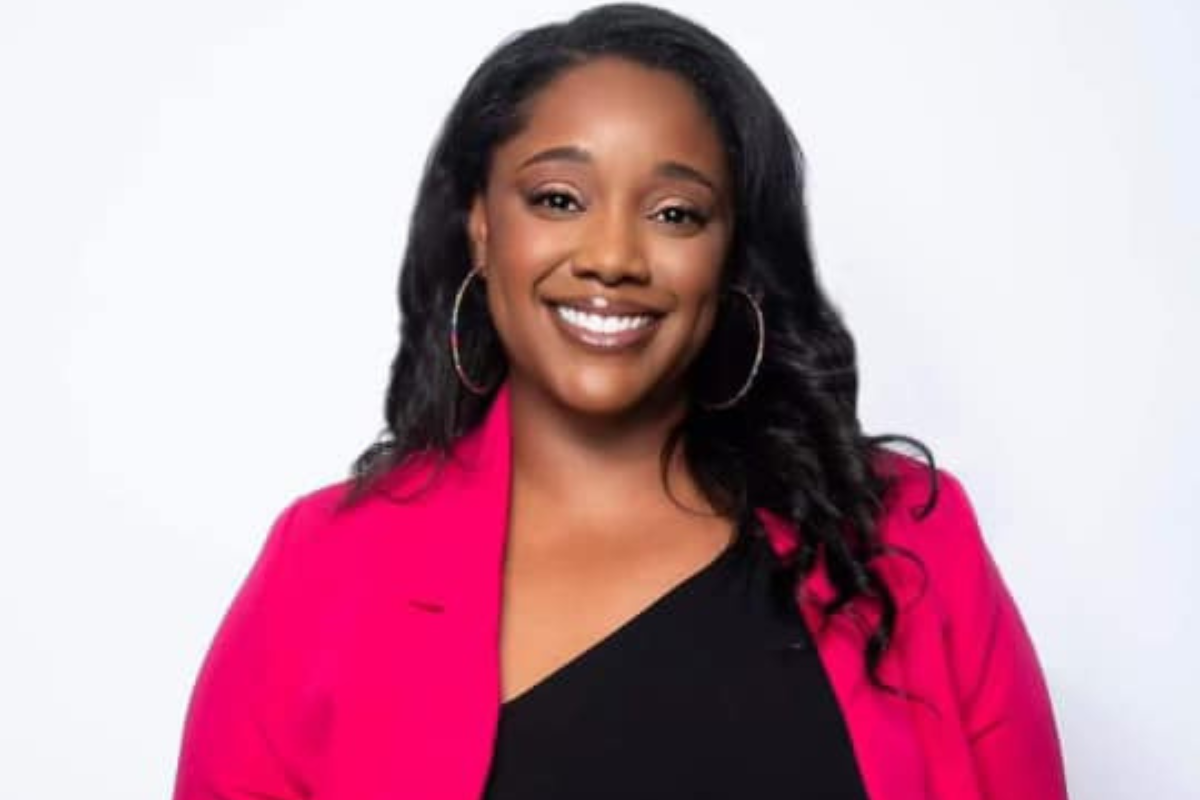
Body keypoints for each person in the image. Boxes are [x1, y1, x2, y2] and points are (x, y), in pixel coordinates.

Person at [171, 4, 1068, 799]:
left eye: (676, 212)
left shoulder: (909, 541)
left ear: (729, 253)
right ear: (484, 225)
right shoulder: (326, 572)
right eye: (558, 198)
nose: (612, 255)